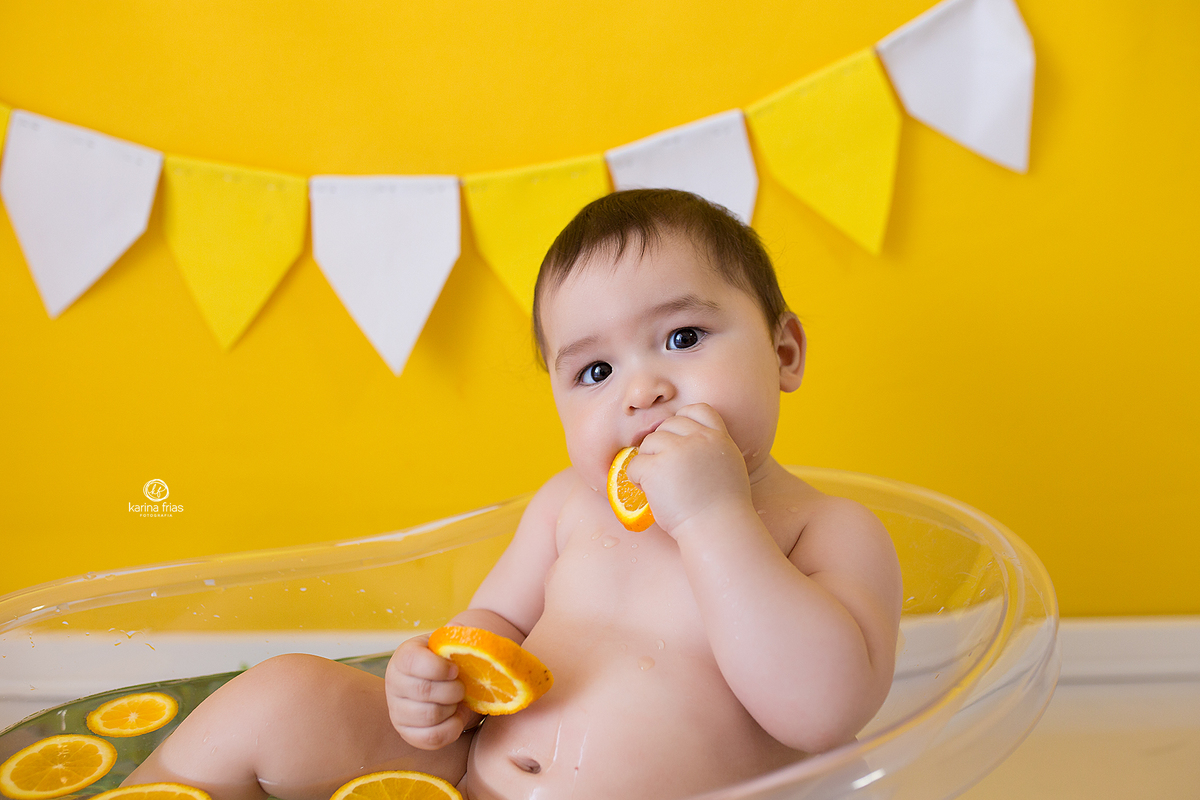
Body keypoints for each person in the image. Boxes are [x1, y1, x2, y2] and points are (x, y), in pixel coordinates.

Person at [126, 189, 902, 800]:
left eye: (683, 338)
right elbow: (490, 626)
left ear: (784, 351)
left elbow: (820, 712)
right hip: (469, 781)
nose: (642, 389)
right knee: (282, 693)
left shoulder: (826, 532)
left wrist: (714, 516)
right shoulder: (568, 505)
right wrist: (434, 684)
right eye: (594, 372)